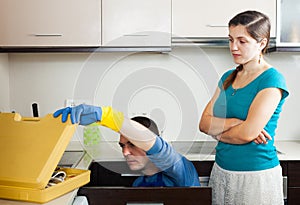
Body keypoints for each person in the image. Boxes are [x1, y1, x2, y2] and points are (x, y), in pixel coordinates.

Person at [199, 10, 289, 205]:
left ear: (262, 43)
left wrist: (219, 132)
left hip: (255, 176)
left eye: (242, 41)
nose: (233, 47)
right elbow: (204, 123)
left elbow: (246, 135)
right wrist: (237, 123)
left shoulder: (272, 80)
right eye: (231, 40)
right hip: (222, 171)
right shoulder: (227, 78)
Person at [54, 104, 200, 187]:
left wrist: (105, 116)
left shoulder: (182, 170)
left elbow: (158, 148)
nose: (125, 152)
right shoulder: (138, 184)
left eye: (132, 145)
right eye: (122, 146)